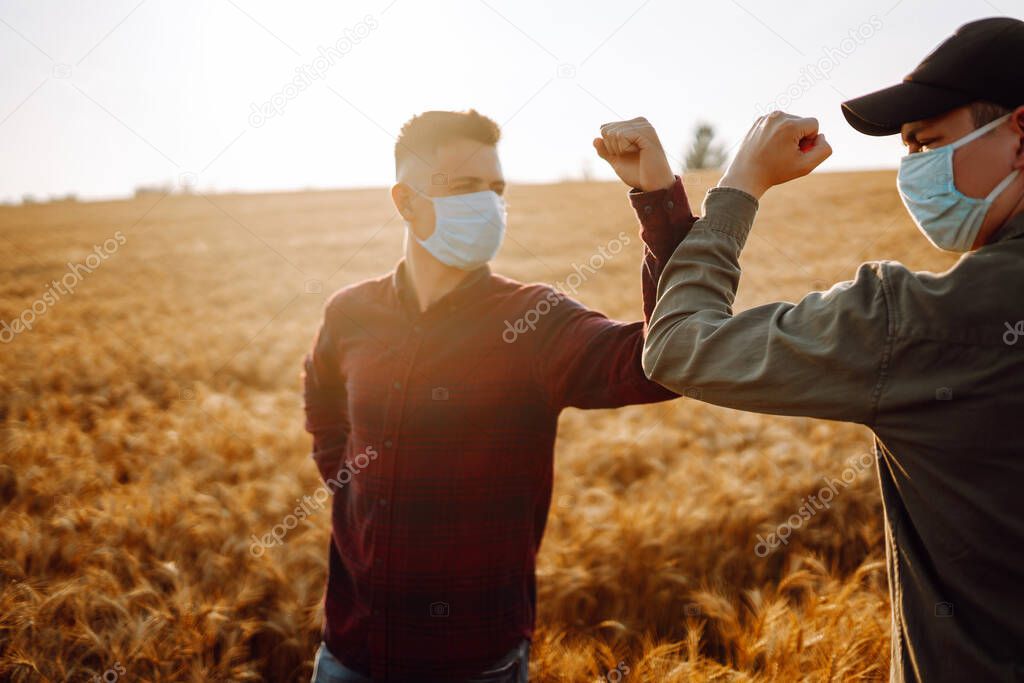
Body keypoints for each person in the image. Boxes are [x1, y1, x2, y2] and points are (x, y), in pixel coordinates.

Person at [633, 17, 1024, 682]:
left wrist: (742, 182)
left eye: (928, 143)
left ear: (1020, 135)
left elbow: (675, 344)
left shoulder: (922, 323)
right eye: (905, 151)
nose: (913, 172)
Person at [302, 109, 693, 681]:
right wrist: (348, 483)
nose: (487, 205)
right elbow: (324, 406)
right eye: (463, 188)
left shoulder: (534, 321)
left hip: (475, 661)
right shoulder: (351, 312)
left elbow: (661, 363)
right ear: (406, 203)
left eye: (496, 189)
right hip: (349, 651)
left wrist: (657, 196)